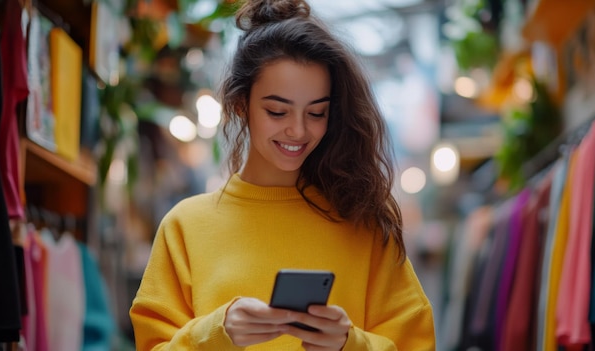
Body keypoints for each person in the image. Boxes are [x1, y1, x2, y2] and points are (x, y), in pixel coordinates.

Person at [129, 0, 436, 349]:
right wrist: (217, 332)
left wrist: (350, 344)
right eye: (277, 111)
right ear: (241, 105)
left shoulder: (362, 223)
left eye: (317, 113)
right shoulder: (184, 226)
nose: (298, 130)